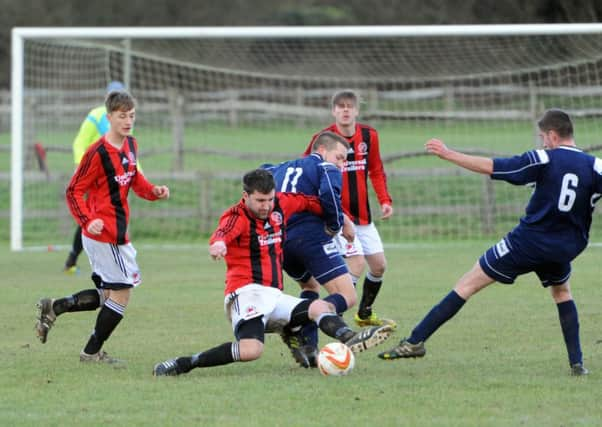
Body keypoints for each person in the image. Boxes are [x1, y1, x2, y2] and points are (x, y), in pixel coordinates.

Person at [378, 109, 595, 376]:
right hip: (565, 248)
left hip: (528, 243)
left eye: (543, 137)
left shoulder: (543, 158)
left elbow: (494, 167)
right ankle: (577, 363)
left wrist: (448, 154)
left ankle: (414, 342)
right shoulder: (595, 166)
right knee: (562, 293)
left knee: (467, 284)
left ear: (552, 135)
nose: (542, 142)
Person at [153, 169, 393, 376]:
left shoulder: (282, 203)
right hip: (246, 293)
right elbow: (221, 234)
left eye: (269, 199)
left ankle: (349, 337)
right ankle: (185, 363)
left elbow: (312, 203)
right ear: (245, 196)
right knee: (252, 350)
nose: (266, 206)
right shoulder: (235, 217)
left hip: (273, 295)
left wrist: (343, 220)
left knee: (319, 306)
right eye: (259, 200)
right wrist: (218, 245)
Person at [35, 90, 170, 364]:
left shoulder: (131, 145)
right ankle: (91, 351)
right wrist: (88, 220)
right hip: (103, 235)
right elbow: (73, 191)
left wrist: (154, 191)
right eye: (122, 116)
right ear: (109, 117)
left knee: (107, 295)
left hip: (118, 233)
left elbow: (135, 180)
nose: (128, 121)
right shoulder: (96, 152)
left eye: (131, 115)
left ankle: (55, 307)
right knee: (122, 294)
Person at [263, 131, 359, 365]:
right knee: (348, 295)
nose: (341, 164)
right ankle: (312, 321)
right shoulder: (326, 168)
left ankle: (308, 346)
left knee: (309, 285)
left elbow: (258, 177)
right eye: (339, 157)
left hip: (281, 241)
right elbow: (330, 194)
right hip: (311, 238)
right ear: (322, 150)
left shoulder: (279, 168)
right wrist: (336, 225)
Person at [304, 89, 394, 328]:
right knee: (356, 264)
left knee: (379, 265)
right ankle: (334, 316)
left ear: (356, 110)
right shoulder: (323, 139)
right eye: (340, 106)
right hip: (338, 217)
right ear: (333, 111)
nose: (345, 110)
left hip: (363, 216)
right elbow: (306, 169)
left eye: (349, 106)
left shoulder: (369, 136)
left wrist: (385, 200)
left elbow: (375, 170)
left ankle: (363, 314)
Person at [63, 80, 126, 274]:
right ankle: (77, 259)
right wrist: (79, 167)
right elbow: (79, 143)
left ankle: (83, 259)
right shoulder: (96, 115)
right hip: (95, 176)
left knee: (104, 216)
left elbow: (127, 152)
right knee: (95, 216)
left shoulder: (124, 119)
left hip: (114, 178)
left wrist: (136, 175)